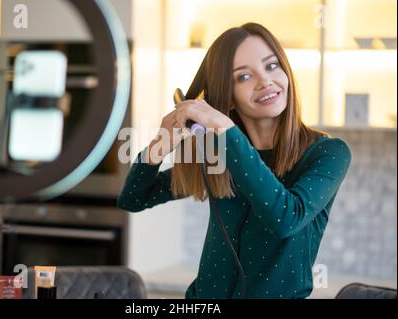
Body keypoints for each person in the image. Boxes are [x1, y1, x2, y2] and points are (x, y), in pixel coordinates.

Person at [117, 22, 352, 299]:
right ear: (227, 98)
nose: (265, 81)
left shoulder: (328, 153)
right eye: (243, 77)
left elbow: (285, 218)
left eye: (272, 65)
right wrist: (160, 144)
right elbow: (133, 199)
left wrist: (226, 132)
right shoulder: (217, 154)